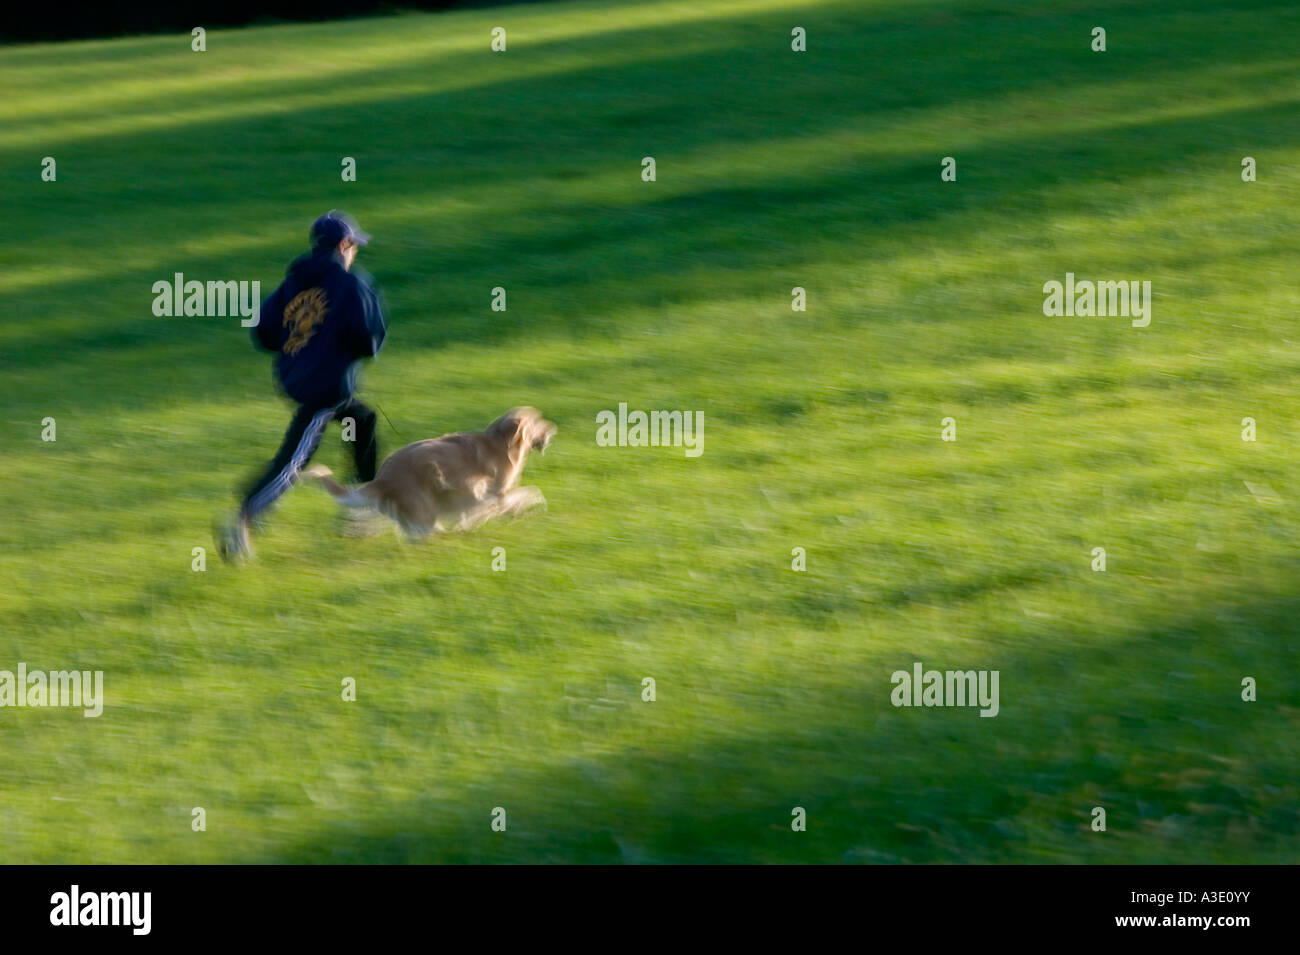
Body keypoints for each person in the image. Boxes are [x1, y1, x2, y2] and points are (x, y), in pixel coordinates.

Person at [218, 210, 387, 562]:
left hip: (299, 378)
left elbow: (263, 332)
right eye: (354, 246)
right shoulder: (351, 284)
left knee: (362, 420)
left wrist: (302, 346)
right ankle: (243, 516)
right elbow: (368, 339)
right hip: (323, 386)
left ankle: (362, 507)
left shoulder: (293, 281)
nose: (355, 253)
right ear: (344, 245)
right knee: (294, 459)